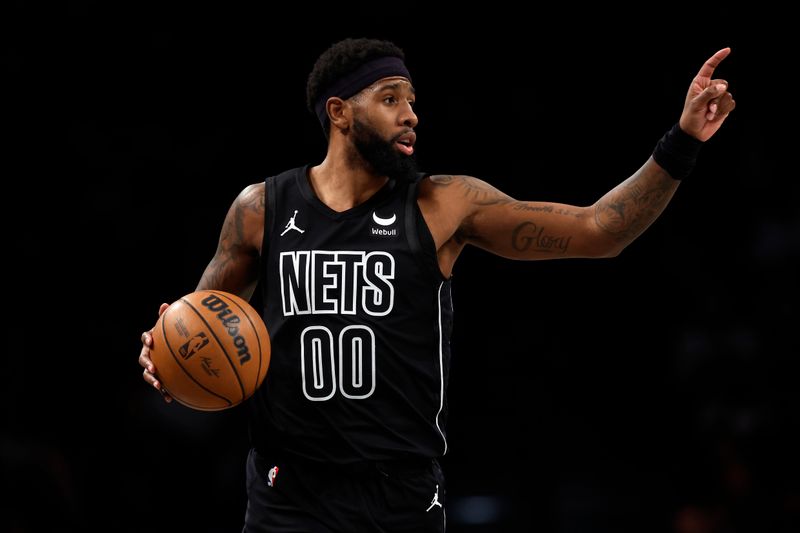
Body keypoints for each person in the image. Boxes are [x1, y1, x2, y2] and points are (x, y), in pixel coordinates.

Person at [138, 37, 735, 532]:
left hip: (398, 495)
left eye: (413, 100)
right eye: (391, 98)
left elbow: (599, 230)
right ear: (339, 112)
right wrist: (163, 350)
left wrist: (680, 143)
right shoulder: (260, 209)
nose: (411, 115)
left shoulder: (442, 204)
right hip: (287, 492)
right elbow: (202, 323)